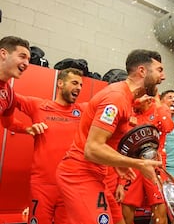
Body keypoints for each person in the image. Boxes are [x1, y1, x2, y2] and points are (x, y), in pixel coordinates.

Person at [55, 49, 164, 224]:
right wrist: (139, 163)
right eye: (159, 70)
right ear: (142, 71)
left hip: (97, 174)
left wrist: (117, 164)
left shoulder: (126, 98)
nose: (163, 76)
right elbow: (92, 149)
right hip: (80, 175)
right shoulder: (116, 97)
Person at [7, 68, 84, 224]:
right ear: (60, 83)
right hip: (42, 185)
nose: (79, 88)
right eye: (75, 83)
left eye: (81, 85)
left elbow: (109, 104)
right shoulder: (38, 105)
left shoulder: (82, 110)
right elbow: (8, 96)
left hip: (69, 185)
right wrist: (25, 129)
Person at [121, 93, 174, 224]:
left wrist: (157, 101)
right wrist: (134, 105)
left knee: (159, 214)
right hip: (134, 165)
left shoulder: (159, 108)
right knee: (125, 212)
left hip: (155, 167)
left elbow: (169, 127)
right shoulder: (132, 110)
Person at [0, 36, 30, 123]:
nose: (27, 64)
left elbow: (9, 123)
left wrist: (28, 129)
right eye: (22, 57)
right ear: (3, 54)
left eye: (28, 60)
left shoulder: (9, 94)